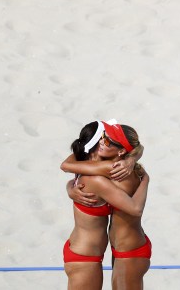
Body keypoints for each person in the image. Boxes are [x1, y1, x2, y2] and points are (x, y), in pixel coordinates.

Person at [62, 121, 149, 290]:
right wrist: (144, 176)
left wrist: (70, 187)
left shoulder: (99, 169)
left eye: (107, 140)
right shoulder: (100, 173)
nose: (103, 142)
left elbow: (67, 166)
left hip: (117, 249)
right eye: (102, 137)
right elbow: (66, 166)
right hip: (93, 252)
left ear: (122, 150)